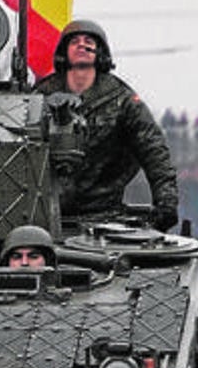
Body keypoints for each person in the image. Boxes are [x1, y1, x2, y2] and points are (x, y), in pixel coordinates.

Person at [34, 19, 179, 231]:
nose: (82, 45)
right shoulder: (39, 96)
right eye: (74, 41)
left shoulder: (121, 99)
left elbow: (153, 149)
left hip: (105, 216)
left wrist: (166, 201)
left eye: (89, 41)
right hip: (43, 216)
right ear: (64, 51)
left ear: (100, 52)